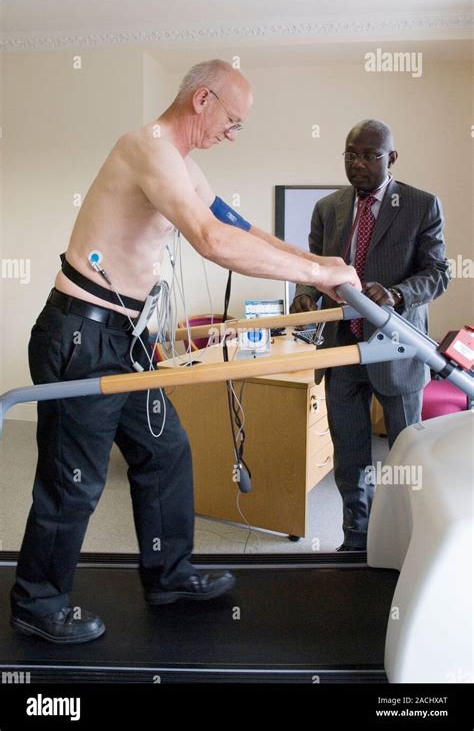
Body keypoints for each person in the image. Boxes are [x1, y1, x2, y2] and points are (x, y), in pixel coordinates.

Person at [10, 59, 360, 643]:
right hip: (82, 333)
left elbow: (236, 225)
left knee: (166, 453)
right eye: (234, 120)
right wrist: (315, 273)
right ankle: (36, 602)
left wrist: (319, 265)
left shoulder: (186, 169)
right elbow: (213, 240)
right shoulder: (147, 148)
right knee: (74, 478)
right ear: (203, 100)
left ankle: (169, 576)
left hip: (126, 338)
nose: (234, 132)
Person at [291, 119, 450, 552]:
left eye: (369, 155)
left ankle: (407, 539)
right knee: (351, 454)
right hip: (342, 349)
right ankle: (356, 536)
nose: (358, 164)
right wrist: (305, 295)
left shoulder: (421, 205)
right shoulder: (329, 208)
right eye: (350, 154)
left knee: (406, 458)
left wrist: (397, 294)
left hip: (396, 350)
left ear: (391, 159)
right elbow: (313, 267)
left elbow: (438, 274)